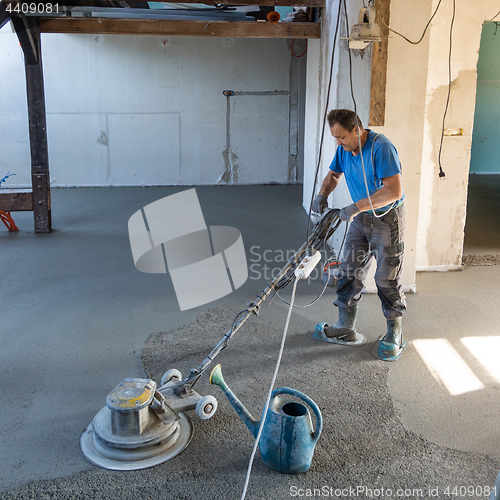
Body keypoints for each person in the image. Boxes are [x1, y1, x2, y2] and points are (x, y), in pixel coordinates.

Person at [312, 109, 407, 361]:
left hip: (387, 219)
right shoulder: (344, 149)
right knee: (348, 271)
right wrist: (323, 194)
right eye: (334, 137)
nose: (338, 142)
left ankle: (394, 333)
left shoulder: (381, 148)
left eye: (341, 137)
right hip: (361, 219)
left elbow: (394, 190)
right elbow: (334, 174)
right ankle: (345, 325)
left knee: (386, 279)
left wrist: (355, 206)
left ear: (356, 129)